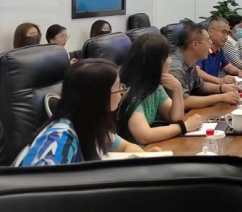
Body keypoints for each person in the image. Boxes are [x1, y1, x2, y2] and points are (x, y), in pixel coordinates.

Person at [13, 59, 145, 166]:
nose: (122, 90)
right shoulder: (60, 137)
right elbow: (42, 187)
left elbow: (126, 146)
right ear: (98, 96)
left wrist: (141, 159)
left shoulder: (90, 124)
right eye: (118, 86)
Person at [117, 35, 203, 145]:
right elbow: (145, 136)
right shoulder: (130, 94)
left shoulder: (154, 88)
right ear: (155, 63)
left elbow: (175, 117)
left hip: (151, 148)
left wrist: (177, 89)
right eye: (166, 57)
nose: (170, 61)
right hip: (135, 152)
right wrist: (184, 127)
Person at [169, 22, 242, 110]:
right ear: (195, 45)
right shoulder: (175, 67)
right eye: (208, 41)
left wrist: (223, 88)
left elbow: (201, 86)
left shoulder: (190, 61)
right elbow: (184, 102)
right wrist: (221, 97)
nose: (210, 45)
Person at [196, 18, 242, 84]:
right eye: (223, 32)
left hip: (214, 87)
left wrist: (239, 71)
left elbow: (228, 67)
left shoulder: (219, 50)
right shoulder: (201, 49)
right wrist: (218, 80)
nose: (226, 37)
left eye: (227, 33)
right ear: (210, 31)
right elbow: (196, 71)